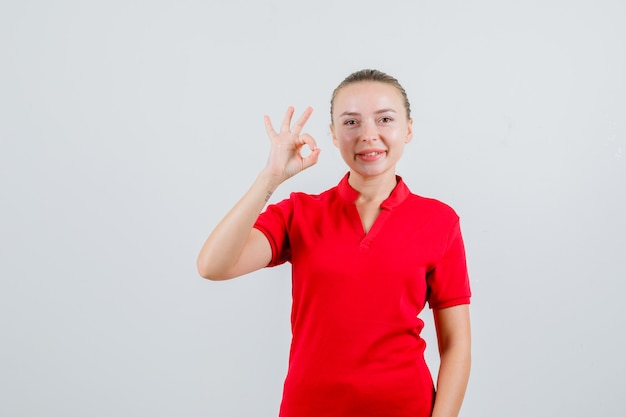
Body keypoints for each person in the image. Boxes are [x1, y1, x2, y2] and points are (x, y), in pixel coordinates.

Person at [197, 69, 472, 417]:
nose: (368, 135)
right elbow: (213, 266)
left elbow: (456, 345)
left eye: (384, 119)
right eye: (351, 123)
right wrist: (270, 177)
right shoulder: (299, 212)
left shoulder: (440, 220)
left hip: (406, 407)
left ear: (408, 129)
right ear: (333, 134)